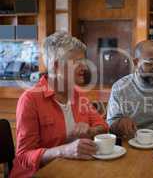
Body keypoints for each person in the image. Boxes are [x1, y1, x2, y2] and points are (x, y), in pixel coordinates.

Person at [10, 32, 109, 178]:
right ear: (56, 66)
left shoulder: (78, 94)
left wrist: (90, 131)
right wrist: (64, 151)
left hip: (70, 170)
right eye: (78, 62)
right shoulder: (30, 100)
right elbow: (24, 156)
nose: (85, 68)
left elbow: (104, 127)